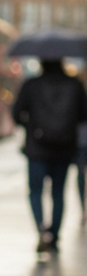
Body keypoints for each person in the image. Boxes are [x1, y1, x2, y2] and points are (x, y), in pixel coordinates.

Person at [12, 59, 87, 252]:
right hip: (64, 148)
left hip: (37, 148)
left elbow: (16, 113)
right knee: (58, 193)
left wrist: (31, 127)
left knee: (35, 191)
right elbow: (83, 115)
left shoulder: (31, 85)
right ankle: (54, 236)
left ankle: (41, 229)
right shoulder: (75, 84)